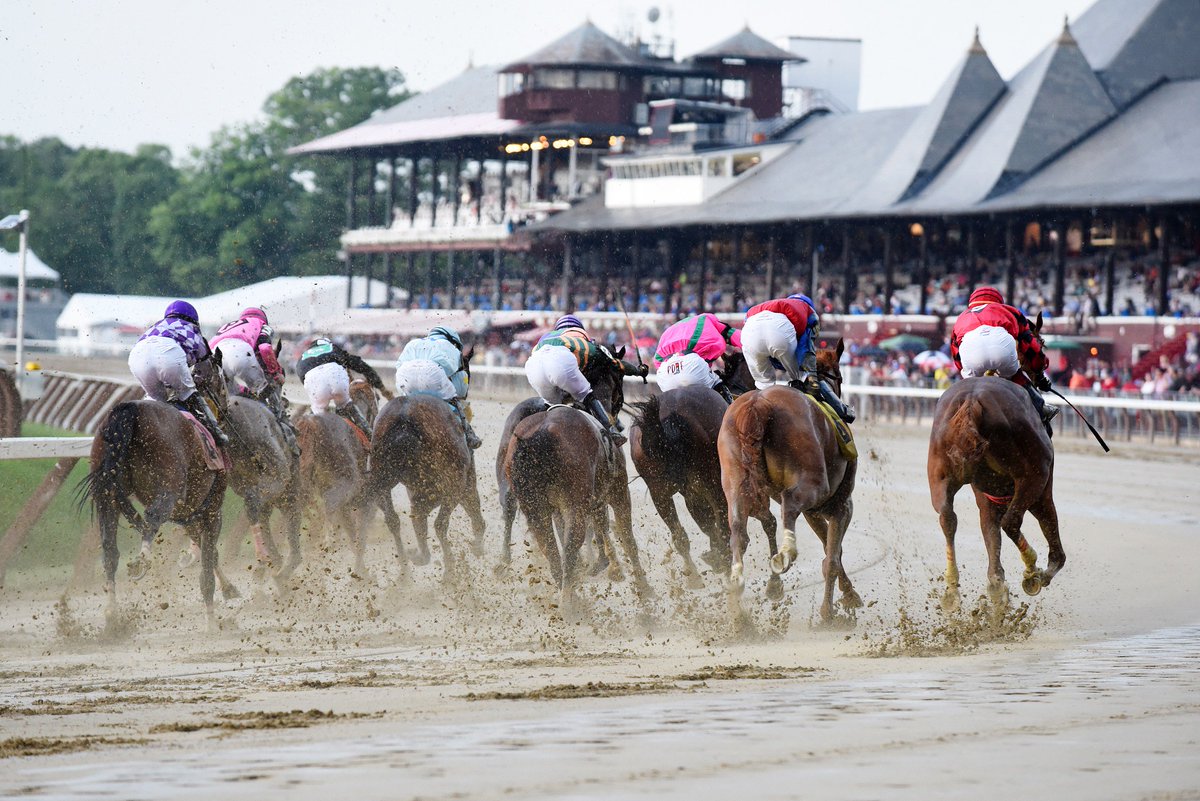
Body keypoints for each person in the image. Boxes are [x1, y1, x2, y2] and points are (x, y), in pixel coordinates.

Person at [524, 314, 647, 445]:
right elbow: (616, 364)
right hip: (560, 362)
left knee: (553, 407)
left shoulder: (546, 338)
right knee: (586, 394)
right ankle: (611, 430)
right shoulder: (587, 343)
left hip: (532, 365)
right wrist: (639, 371)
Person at [949, 286, 1057, 430]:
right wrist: (1040, 374)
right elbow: (1031, 346)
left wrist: (967, 372)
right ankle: (1041, 408)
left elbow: (957, 357)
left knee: (970, 387)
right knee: (1015, 375)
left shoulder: (961, 317)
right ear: (999, 302)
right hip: (1001, 349)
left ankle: (953, 417)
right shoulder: (1009, 311)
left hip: (970, 352)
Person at [742, 293, 856, 423]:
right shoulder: (809, 312)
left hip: (748, 333)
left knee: (763, 386)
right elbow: (805, 347)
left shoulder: (767, 305)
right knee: (802, 377)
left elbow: (762, 342)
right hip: (779, 332)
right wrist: (811, 375)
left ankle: (755, 418)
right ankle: (843, 410)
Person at [128, 300, 228, 445]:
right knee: (189, 394)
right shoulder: (192, 329)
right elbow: (205, 368)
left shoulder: (155, 326)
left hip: (137, 357)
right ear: (193, 319)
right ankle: (216, 433)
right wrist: (197, 380)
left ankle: (139, 434)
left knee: (155, 400)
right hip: (169, 354)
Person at [210, 307, 299, 457]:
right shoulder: (261, 324)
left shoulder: (226, 326)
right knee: (270, 399)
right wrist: (275, 372)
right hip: (240, 352)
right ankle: (288, 437)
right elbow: (264, 348)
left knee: (227, 403)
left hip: (215, 356)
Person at [394, 325, 482, 449]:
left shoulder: (413, 343)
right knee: (455, 400)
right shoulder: (451, 347)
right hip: (432, 372)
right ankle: (469, 433)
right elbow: (461, 387)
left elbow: (398, 366)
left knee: (405, 404)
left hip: (404, 373)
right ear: (452, 340)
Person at [295, 337, 388, 440]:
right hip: (336, 377)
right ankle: (370, 437)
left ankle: (301, 443)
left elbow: (304, 381)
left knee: (317, 416)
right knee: (346, 405)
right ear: (327, 344)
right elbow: (362, 366)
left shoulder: (303, 357)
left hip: (313, 381)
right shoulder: (333, 348)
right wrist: (381, 386)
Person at [653, 312, 741, 403]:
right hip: (692, 364)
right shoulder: (707, 319)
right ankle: (730, 408)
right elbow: (736, 336)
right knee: (717, 383)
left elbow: (657, 362)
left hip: (666, 372)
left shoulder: (668, 332)